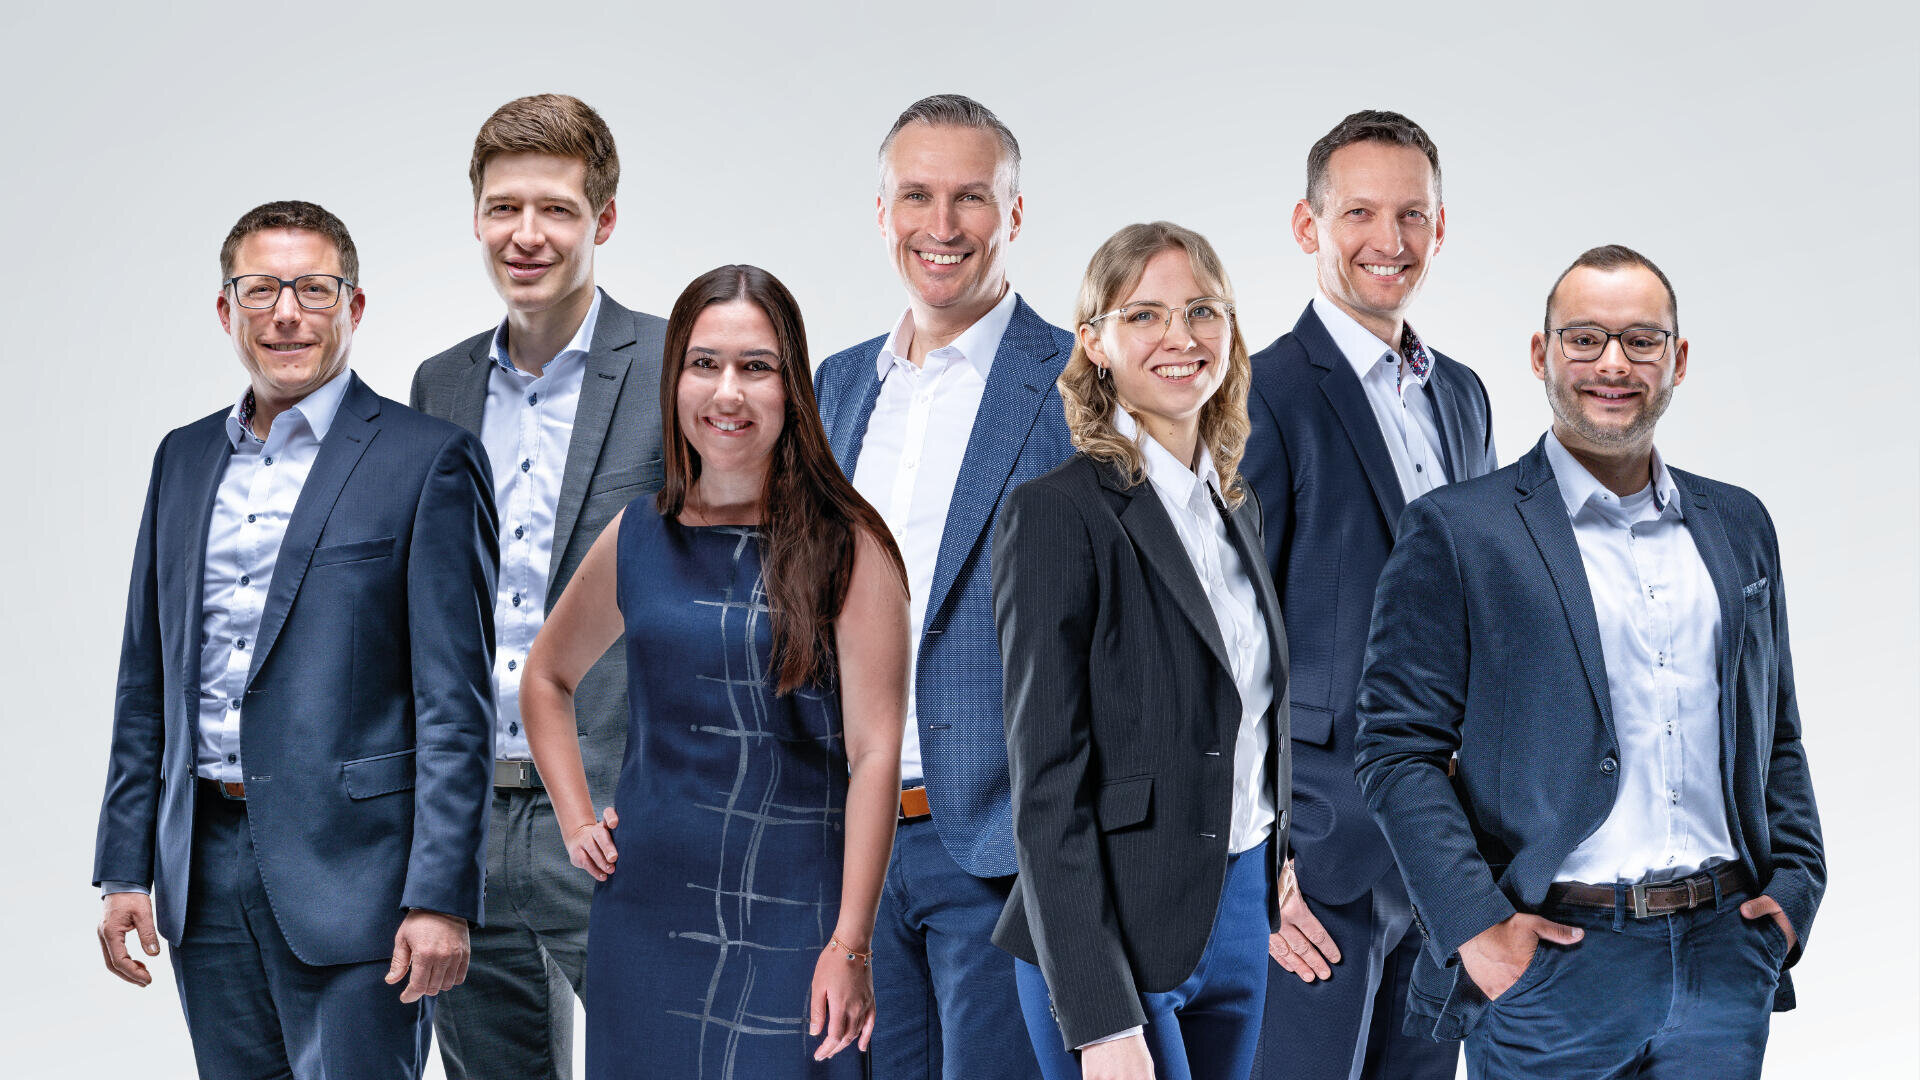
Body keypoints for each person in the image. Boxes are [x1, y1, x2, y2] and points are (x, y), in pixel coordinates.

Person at [1354, 245, 1825, 1078]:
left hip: (1724, 955)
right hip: (1554, 966)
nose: (1614, 363)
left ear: (1677, 361)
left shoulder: (1738, 523)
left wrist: (1793, 895)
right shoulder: (1460, 531)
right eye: (1585, 339)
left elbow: (1774, 724)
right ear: (1542, 355)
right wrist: (1477, 930)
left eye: (1642, 341)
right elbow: (1397, 750)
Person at [92, 200, 497, 1079]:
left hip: (360, 879)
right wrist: (125, 868)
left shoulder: (429, 460)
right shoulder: (183, 458)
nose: (286, 313)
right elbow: (145, 679)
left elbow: (456, 707)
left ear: (352, 308)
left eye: (313, 289)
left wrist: (440, 897)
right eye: (261, 289)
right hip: (200, 869)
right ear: (226, 309)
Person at [522, 264, 909, 1078]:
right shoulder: (637, 535)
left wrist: (853, 943)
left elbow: (876, 754)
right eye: (705, 364)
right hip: (646, 921)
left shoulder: (851, 545)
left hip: (799, 920)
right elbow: (545, 678)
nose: (727, 392)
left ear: (791, 386)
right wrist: (574, 818)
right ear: (675, 381)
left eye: (755, 367)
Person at [993, 221, 1291, 1080]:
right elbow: (1046, 785)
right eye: (1146, 315)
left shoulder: (1240, 509)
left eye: (1203, 310)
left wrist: (1282, 858)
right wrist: (1100, 1016)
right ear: (1094, 342)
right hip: (1110, 930)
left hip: (1236, 912)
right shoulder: (1057, 514)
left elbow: (1247, 711)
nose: (1180, 337)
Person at [813, 92, 1071, 1080]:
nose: (942, 224)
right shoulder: (836, 387)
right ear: (882, 213)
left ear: (1014, 213)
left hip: (1003, 856)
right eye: (916, 195)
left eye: (971, 197)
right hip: (850, 861)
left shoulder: (1078, 386)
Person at [409, 92, 667, 1080]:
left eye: (556, 208)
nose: (527, 234)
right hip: (470, 831)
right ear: (476, 216)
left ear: (603, 220)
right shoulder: (439, 386)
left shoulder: (670, 367)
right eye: (504, 207)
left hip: (615, 821)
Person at [1242, 109, 1492, 1080]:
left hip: (1444, 864)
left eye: (1412, 215)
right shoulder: (1262, 397)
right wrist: (1252, 874)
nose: (1388, 242)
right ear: (1308, 227)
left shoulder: (1463, 396)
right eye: (1358, 214)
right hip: (1317, 867)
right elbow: (1221, 647)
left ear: (1440, 226)